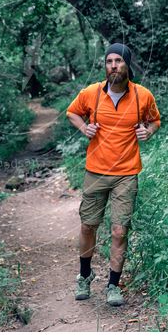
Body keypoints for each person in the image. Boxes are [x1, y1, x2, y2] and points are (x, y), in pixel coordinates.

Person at [65, 43, 160, 306]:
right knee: (88, 226)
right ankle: (85, 275)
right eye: (109, 61)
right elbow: (72, 112)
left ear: (127, 65)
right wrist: (84, 128)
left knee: (119, 231)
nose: (114, 66)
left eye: (119, 61)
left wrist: (148, 132)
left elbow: (155, 120)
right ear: (105, 66)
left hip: (126, 174)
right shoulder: (91, 93)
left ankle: (113, 285)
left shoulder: (143, 96)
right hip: (95, 172)